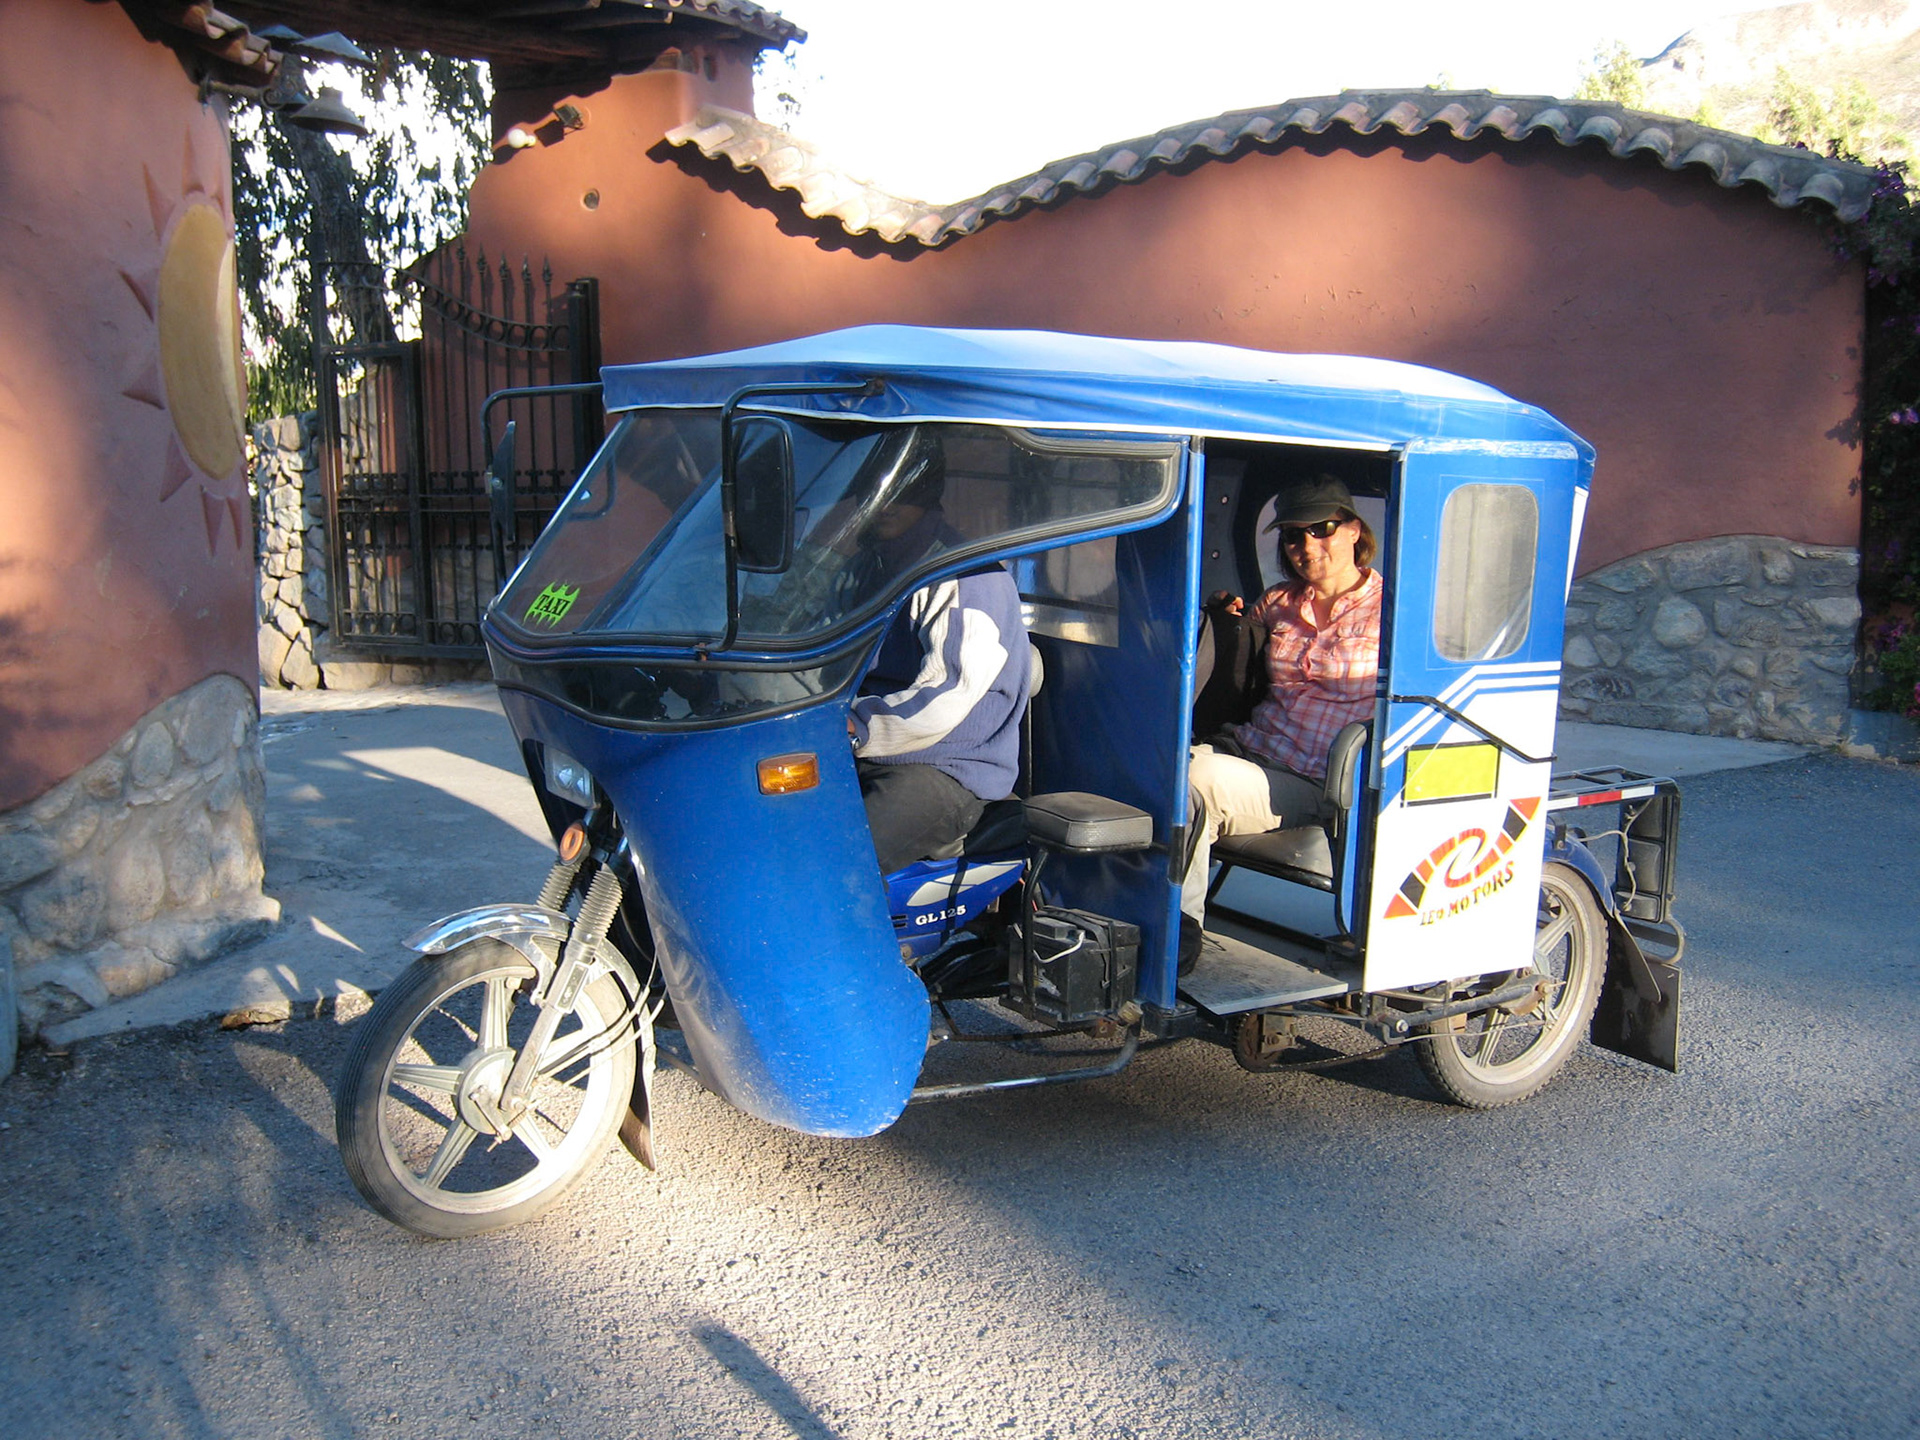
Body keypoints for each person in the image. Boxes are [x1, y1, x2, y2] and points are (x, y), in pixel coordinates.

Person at [1179, 474, 1382, 971]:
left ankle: (1177, 932)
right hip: (1248, 749)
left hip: (1314, 779)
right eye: (1293, 534)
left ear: (1355, 530)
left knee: (1189, 782)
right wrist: (1230, 620)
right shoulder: (1279, 603)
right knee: (1145, 761)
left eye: (1323, 528)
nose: (1306, 545)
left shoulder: (1391, 614)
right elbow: (1241, 666)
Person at [843, 437, 1031, 874]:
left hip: (945, 767)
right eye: (877, 490)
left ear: (930, 492)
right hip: (861, 748)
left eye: (906, 491)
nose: (887, 503)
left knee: (836, 866)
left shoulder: (964, 574)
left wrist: (855, 726)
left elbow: (948, 692)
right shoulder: (866, 567)